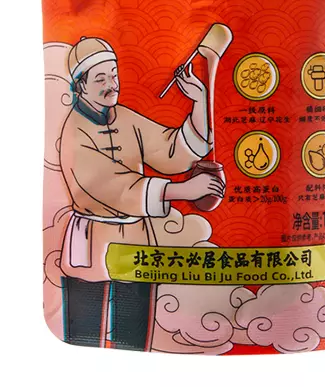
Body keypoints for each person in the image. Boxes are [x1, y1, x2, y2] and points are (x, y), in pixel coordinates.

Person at [58, 36, 225, 350]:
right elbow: (109, 185)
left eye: (114, 75)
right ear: (80, 86)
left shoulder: (126, 118)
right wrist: (182, 190)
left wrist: (200, 100)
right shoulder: (74, 130)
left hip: (135, 242)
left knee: (134, 338)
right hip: (91, 241)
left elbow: (169, 149)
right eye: (100, 79)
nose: (112, 84)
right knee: (84, 338)